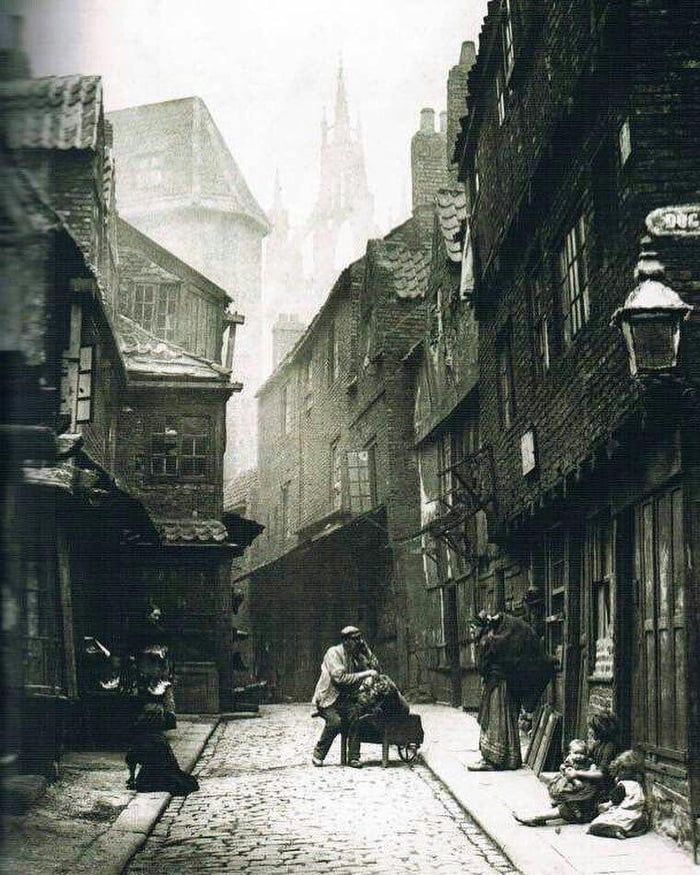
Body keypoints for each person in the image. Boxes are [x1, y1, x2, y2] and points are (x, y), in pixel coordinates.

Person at [468, 611, 555, 771]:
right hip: (501, 684)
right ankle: (509, 758)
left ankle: (495, 759)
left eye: (473, 628)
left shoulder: (488, 640)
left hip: (498, 686)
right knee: (504, 719)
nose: (472, 632)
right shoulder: (495, 637)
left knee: (497, 719)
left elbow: (482, 665)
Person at [516, 711, 621, 826]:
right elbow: (586, 759)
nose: (590, 731)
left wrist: (576, 773)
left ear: (601, 729)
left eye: (592, 729)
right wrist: (569, 766)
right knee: (562, 783)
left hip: (602, 789)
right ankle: (549, 810)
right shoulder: (599, 743)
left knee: (577, 800)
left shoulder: (610, 747)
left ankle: (538, 817)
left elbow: (601, 774)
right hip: (592, 782)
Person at [311, 626, 379, 768]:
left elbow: (376, 670)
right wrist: (365, 674)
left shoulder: (356, 655)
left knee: (356, 715)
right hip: (327, 699)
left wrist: (367, 651)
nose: (359, 642)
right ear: (346, 641)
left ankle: (353, 757)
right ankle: (318, 754)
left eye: (360, 639)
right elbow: (340, 678)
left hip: (344, 699)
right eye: (355, 640)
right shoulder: (333, 653)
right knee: (336, 722)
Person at [125, 702, 198, 796]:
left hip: (145, 779)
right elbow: (171, 762)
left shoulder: (140, 736)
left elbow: (131, 758)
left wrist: (132, 777)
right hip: (162, 775)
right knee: (187, 782)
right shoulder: (160, 739)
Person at [587, 750, 648, 839]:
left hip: (623, 814)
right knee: (631, 823)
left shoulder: (622, 785)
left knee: (595, 825)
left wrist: (607, 805)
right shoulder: (638, 785)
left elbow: (616, 799)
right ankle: (630, 829)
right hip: (636, 814)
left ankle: (615, 831)